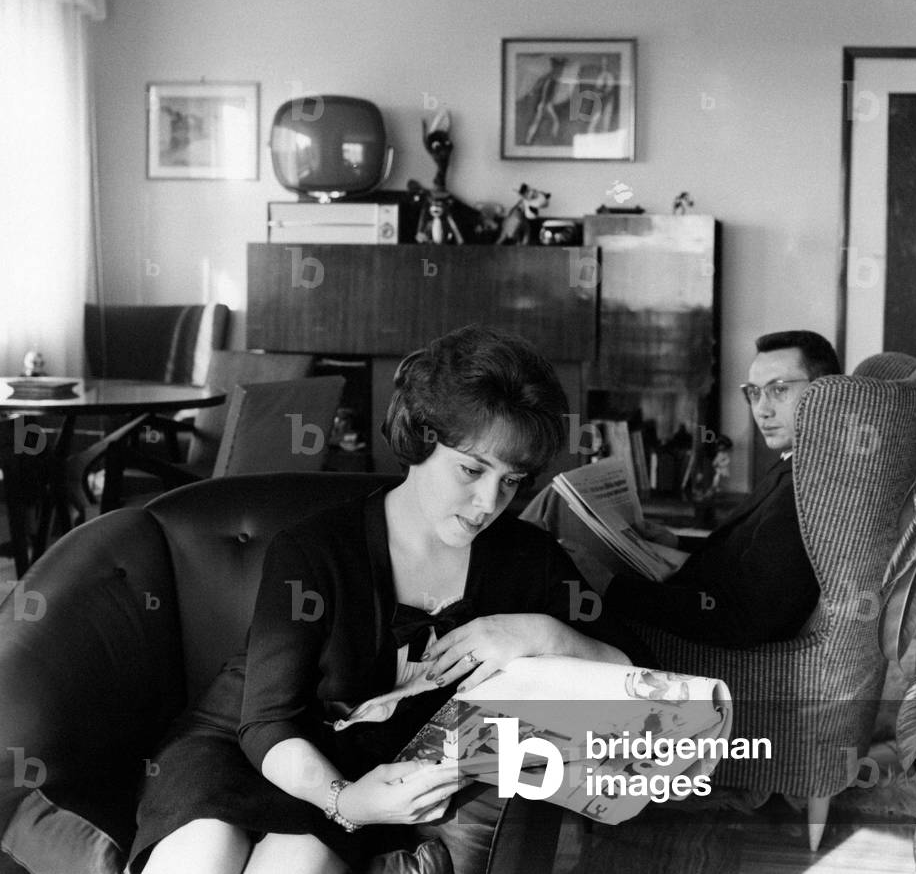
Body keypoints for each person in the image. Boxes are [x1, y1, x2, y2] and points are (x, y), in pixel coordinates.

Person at [129, 325, 636, 874]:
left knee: (296, 863)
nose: (489, 502)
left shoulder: (527, 560)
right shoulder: (314, 550)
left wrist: (538, 633)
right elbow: (266, 722)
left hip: (360, 773)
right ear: (421, 436)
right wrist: (344, 801)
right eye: (471, 469)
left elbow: (633, 672)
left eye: (512, 481)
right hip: (243, 751)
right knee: (204, 856)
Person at [529, 330, 841, 648]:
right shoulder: (797, 464)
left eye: (779, 390)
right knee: (557, 513)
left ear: (825, 393)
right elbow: (748, 558)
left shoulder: (807, 488)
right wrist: (675, 541)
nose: (762, 409)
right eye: (754, 392)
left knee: (553, 510)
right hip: (685, 584)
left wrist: (609, 586)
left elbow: (742, 619)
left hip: (680, 619)